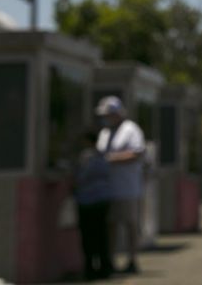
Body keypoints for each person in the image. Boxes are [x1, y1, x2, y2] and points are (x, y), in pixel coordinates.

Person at [95, 96, 146, 275]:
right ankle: (110, 260)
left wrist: (112, 159)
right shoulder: (105, 132)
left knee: (130, 224)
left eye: (109, 114)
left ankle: (132, 260)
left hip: (127, 187)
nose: (106, 118)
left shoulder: (131, 129)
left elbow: (137, 153)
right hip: (107, 189)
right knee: (111, 226)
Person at [73, 129, 113, 281]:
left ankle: (90, 270)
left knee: (88, 237)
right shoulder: (103, 156)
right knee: (102, 235)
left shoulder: (87, 157)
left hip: (87, 200)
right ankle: (104, 268)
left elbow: (82, 177)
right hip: (102, 199)